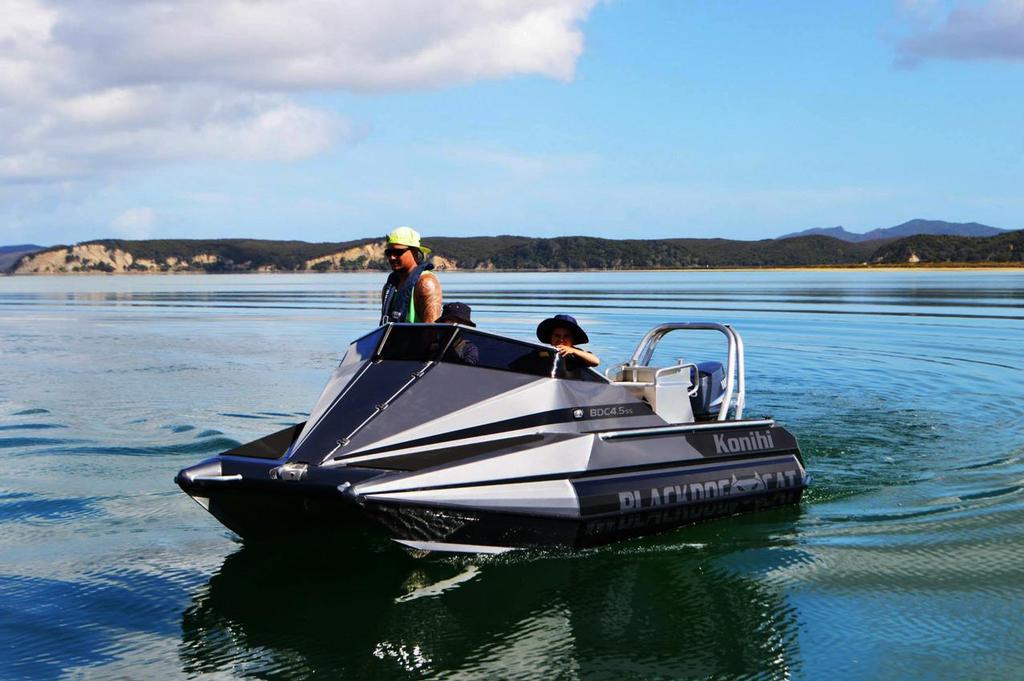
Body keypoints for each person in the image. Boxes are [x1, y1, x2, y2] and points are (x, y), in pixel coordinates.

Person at [379, 226, 442, 324]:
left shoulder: (426, 283)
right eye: (389, 252)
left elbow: (432, 331)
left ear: (415, 253)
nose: (392, 257)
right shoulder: (389, 287)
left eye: (398, 252)